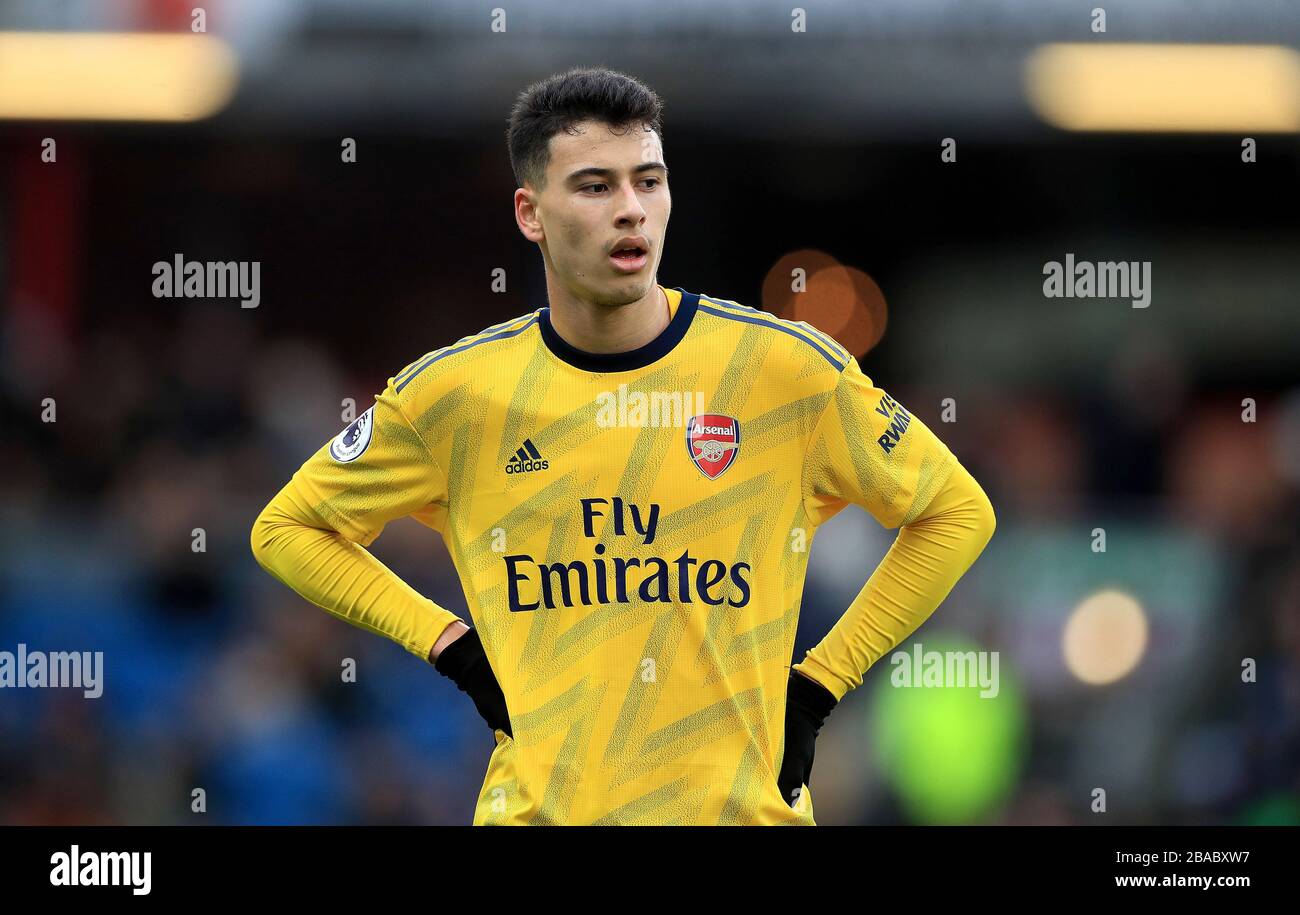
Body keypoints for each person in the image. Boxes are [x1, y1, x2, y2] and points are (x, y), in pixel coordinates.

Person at [251, 66, 996, 825]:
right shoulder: (456, 396)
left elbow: (955, 511)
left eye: (649, 181)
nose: (632, 211)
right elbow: (286, 530)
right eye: (596, 187)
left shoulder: (783, 371)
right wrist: (453, 649)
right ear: (530, 212)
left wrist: (819, 685)